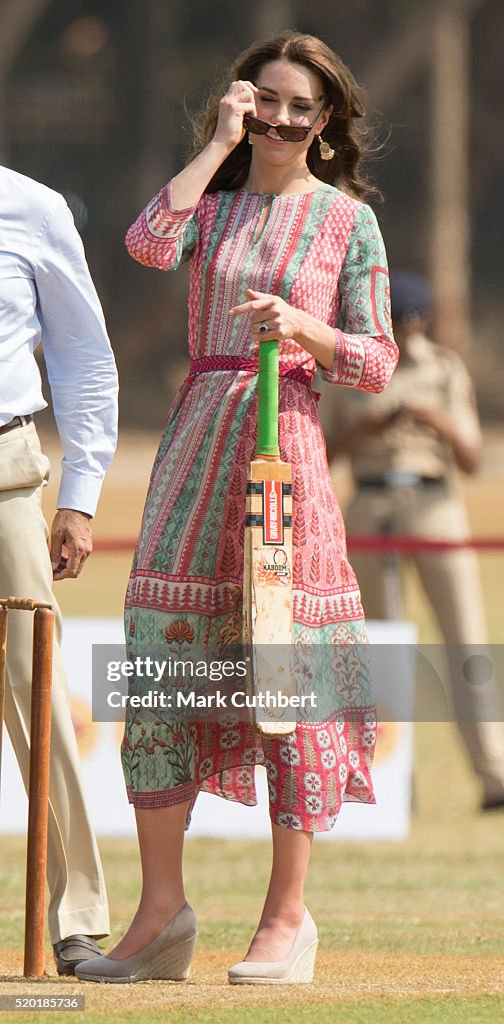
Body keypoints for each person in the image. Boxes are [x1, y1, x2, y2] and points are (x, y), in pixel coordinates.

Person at [76, 30, 397, 986]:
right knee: (164, 661)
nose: (284, 119)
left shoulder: (348, 223)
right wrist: (217, 142)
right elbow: (143, 242)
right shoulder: (210, 207)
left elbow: (377, 362)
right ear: (242, 100)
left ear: (328, 120)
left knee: (281, 672)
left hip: (283, 450)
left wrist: (305, 327)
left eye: (304, 107)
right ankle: (161, 915)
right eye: (267, 100)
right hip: (190, 451)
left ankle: (287, 919)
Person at [325, 270, 504, 812]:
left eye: (409, 320)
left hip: (434, 507)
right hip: (372, 504)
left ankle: (493, 771)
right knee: (381, 650)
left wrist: (436, 421)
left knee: (466, 643)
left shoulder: (445, 369)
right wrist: (369, 428)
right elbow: (325, 450)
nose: (403, 330)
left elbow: (473, 460)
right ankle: (394, 779)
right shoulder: (348, 368)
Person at [0, 164, 118, 974]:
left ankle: (74, 917)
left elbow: (82, 352)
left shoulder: (30, 205)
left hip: (3, 467)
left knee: (32, 686)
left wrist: (78, 494)